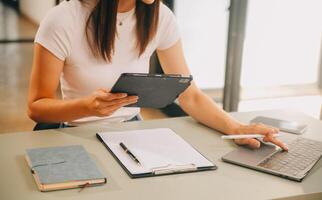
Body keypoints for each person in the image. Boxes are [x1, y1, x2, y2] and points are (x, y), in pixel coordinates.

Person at [28, 0, 288, 150]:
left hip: (131, 131)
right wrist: (86, 107)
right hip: (74, 134)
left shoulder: (160, 17)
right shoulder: (63, 19)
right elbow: (37, 107)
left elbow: (190, 96)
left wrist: (237, 128)